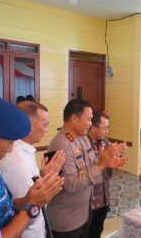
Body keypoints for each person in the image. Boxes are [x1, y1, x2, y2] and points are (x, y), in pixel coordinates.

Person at [46, 99, 127, 238]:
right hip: (67, 221)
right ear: (74, 118)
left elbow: (93, 165)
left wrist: (107, 164)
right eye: (88, 119)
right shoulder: (60, 144)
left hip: (84, 213)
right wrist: (101, 165)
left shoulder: (82, 138)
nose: (90, 124)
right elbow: (71, 185)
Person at [0, 98, 64, 238]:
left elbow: (3, 207)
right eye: (9, 140)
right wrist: (33, 205)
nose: (10, 148)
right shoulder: (17, 162)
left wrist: (28, 200)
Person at [87, 112, 126, 238]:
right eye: (105, 128)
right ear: (93, 128)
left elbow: (109, 164)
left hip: (104, 198)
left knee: (98, 230)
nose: (107, 132)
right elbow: (84, 172)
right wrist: (103, 163)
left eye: (108, 128)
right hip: (89, 201)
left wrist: (116, 158)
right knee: (88, 233)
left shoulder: (105, 142)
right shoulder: (83, 145)